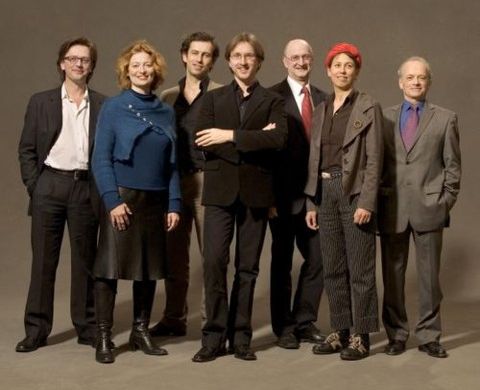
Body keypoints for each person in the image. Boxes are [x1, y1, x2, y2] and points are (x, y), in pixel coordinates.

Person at [191, 32, 287, 363]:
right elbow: (202, 140)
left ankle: (241, 337)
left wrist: (230, 136)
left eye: (250, 57)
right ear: (229, 61)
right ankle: (213, 337)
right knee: (214, 262)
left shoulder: (273, 100)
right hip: (218, 193)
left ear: (259, 62)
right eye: (238, 56)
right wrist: (253, 142)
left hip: (257, 194)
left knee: (248, 268)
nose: (244, 62)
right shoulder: (213, 99)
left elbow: (278, 142)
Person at [91, 40, 180, 364]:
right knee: (109, 269)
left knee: (148, 269)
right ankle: (103, 335)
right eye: (135, 66)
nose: (142, 70)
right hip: (123, 198)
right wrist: (112, 201)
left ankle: (140, 331)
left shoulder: (165, 111)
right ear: (126, 72)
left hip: (156, 199)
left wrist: (174, 203)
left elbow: (172, 164)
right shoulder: (114, 108)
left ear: (155, 70)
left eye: (147, 65)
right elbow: (100, 158)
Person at [17, 37, 105, 353]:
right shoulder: (41, 102)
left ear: (91, 66)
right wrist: (35, 186)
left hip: (85, 188)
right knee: (43, 262)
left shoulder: (103, 104)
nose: (78, 63)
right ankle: (37, 330)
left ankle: (86, 326)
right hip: (49, 186)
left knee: (85, 262)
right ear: (62, 63)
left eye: (85, 59)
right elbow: (27, 149)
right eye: (73, 58)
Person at [304, 43, 382, 360]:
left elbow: (376, 159)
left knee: (360, 269)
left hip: (353, 192)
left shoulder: (367, 106)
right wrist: (312, 202)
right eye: (337, 64)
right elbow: (314, 158)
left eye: (349, 65)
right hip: (325, 193)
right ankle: (340, 330)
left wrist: (367, 201)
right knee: (333, 267)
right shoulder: (321, 109)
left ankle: (361, 336)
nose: (342, 70)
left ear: (356, 70)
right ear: (328, 69)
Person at [379, 57, 461, 359]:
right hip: (392, 208)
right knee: (392, 276)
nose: (415, 82)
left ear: (429, 82)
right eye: (410, 77)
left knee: (429, 278)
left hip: (430, 209)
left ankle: (429, 336)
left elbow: (453, 168)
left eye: (421, 77)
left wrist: (443, 203)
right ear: (400, 82)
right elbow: (376, 165)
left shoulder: (445, 118)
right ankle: (396, 334)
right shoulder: (384, 117)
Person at [150, 32, 222, 337]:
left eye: (206, 55)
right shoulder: (166, 96)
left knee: (212, 256)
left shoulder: (222, 93)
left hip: (209, 180)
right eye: (195, 53)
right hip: (176, 182)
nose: (199, 59)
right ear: (184, 55)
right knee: (174, 255)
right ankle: (174, 318)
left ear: (213, 61)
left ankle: (211, 321)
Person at [269, 39, 326, 349]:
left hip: (314, 196)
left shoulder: (324, 98)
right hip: (281, 198)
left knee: (318, 259)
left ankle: (305, 321)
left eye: (306, 57)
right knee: (281, 262)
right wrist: (268, 199)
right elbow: (265, 155)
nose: (301, 62)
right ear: (284, 61)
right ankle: (284, 327)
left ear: (312, 60)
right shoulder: (271, 98)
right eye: (295, 57)